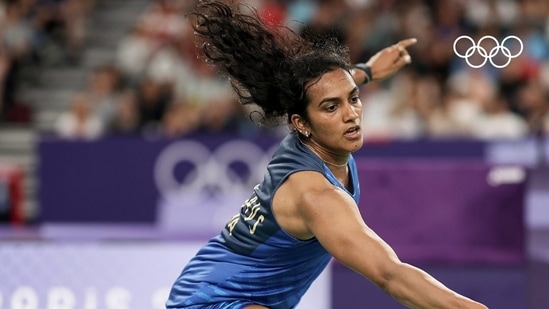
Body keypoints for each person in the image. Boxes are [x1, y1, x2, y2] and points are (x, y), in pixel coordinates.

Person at [166, 1, 489, 308]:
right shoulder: (316, 196)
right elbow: (390, 275)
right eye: (332, 108)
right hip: (207, 299)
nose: (351, 114)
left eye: (354, 98)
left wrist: (367, 71)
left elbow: (332, 87)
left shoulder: (315, 128)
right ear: (301, 124)